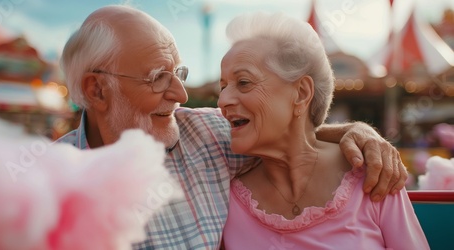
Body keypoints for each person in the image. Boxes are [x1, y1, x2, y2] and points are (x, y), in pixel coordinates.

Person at [56, 5, 408, 249]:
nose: (180, 95)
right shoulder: (48, 186)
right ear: (97, 90)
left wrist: (357, 132)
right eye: (157, 78)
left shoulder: (204, 135)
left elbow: (287, 132)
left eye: (179, 74)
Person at [219, 12, 428, 249]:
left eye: (244, 82)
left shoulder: (372, 173)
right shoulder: (226, 201)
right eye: (223, 86)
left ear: (301, 93)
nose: (222, 100)